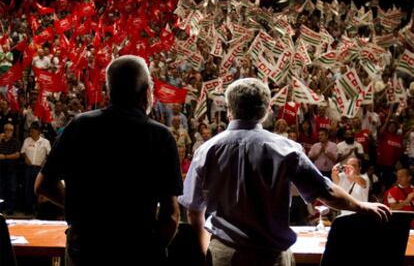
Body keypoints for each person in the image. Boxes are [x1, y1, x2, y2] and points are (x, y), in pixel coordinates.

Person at [178, 78, 390, 266]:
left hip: (224, 255)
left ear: (229, 109)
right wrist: (361, 206)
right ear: (267, 109)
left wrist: (205, 252)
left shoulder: (206, 150)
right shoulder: (286, 149)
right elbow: (325, 192)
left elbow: (194, 210)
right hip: (273, 257)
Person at [35, 55, 183, 265]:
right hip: (138, 248)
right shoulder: (161, 136)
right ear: (147, 92)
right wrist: (153, 250)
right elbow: (170, 215)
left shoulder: (79, 126)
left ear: (109, 91)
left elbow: (43, 185)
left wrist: (80, 209)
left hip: (86, 246)